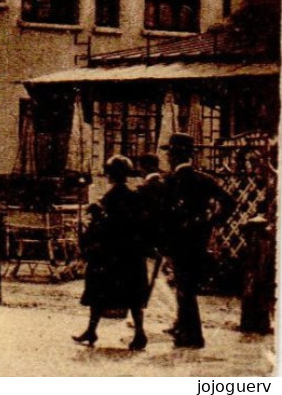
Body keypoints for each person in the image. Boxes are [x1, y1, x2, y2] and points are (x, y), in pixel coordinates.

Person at [159, 132, 235, 349]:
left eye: (171, 154)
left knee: (184, 287)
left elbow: (162, 212)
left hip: (177, 240)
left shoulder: (170, 181)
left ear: (174, 156)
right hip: (199, 238)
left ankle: (193, 336)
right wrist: (211, 222)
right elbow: (230, 202)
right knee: (186, 285)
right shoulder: (205, 179)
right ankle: (184, 329)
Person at [73, 155, 152, 351]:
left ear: (110, 175)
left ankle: (92, 330)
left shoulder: (108, 199)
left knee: (97, 291)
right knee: (134, 296)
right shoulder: (135, 196)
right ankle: (139, 333)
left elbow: (103, 227)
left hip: (110, 254)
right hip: (132, 254)